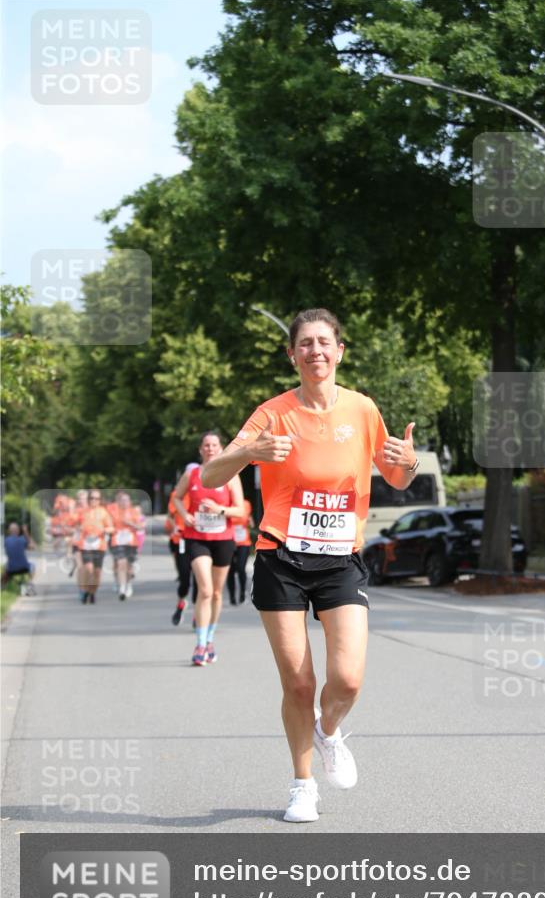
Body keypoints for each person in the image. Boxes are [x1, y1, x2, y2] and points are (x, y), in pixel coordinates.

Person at [201, 308, 418, 822]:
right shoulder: (271, 413)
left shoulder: (362, 409)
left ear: (339, 351)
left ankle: (328, 731)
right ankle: (303, 786)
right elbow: (210, 476)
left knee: (347, 679)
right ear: (292, 354)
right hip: (281, 556)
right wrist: (249, 451)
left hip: (341, 559)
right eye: (305, 343)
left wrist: (408, 461)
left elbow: (398, 477)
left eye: (324, 342)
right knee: (298, 684)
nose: (315, 351)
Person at [172, 434, 245, 666]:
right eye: (206, 445)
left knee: (216, 593)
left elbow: (240, 510)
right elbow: (177, 497)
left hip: (223, 538)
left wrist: (219, 509)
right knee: (205, 590)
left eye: (214, 445)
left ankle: (210, 639)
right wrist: (185, 515)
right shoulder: (192, 474)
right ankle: (200, 644)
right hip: (197, 538)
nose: (210, 448)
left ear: (221, 448)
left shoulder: (231, 475)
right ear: (200, 449)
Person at [166, 463, 199, 626]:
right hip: (182, 540)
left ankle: (197, 614)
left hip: (201, 539)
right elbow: (171, 516)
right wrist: (174, 527)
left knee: (200, 579)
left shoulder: (204, 490)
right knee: (185, 578)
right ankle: (181, 603)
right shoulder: (176, 494)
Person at [79, 490, 114, 603]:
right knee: (89, 568)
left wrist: (104, 530)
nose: (94, 500)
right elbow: (74, 524)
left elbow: (111, 528)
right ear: (88, 499)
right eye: (92, 498)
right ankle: (85, 591)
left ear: (100, 500)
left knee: (97, 572)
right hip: (86, 545)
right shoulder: (82, 512)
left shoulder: (104, 512)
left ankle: (92, 592)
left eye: (96, 498)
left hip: (99, 546)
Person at [109, 492, 144, 600]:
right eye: (122, 500)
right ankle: (122, 588)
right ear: (118, 502)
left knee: (129, 567)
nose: (124, 502)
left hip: (131, 542)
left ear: (129, 502)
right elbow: (108, 525)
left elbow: (140, 526)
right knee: (121, 563)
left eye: (126, 500)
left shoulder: (134, 512)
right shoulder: (113, 512)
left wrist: (130, 523)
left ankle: (128, 584)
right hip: (118, 541)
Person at [226, 497, 254, 605]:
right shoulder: (226, 503)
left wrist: (250, 522)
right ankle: (232, 596)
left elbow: (250, 519)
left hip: (243, 542)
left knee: (241, 568)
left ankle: (242, 592)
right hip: (229, 541)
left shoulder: (246, 503)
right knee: (230, 570)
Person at [2, 522, 35, 592]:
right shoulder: (22, 539)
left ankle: (3, 586)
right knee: (33, 565)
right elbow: (32, 547)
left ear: (9, 531)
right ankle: (30, 582)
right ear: (18, 531)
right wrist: (26, 532)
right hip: (25, 568)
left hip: (10, 569)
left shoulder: (6, 541)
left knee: (5, 568)